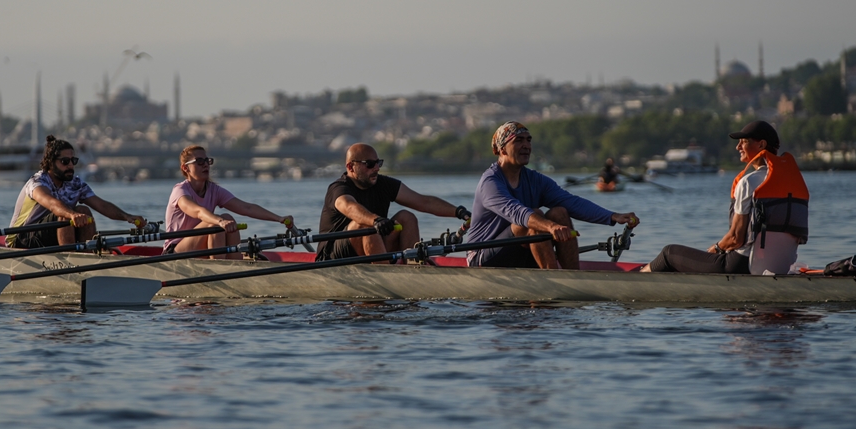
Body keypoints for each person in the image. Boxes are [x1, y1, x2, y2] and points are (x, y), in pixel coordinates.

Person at [641, 120, 808, 275]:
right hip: (780, 266)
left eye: (744, 141)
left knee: (668, 253)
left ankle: (637, 279)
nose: (738, 147)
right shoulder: (793, 184)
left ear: (761, 145)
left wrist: (716, 248)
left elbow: (735, 238)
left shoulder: (748, 182)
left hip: (741, 265)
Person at [465, 122, 639, 269]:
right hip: (482, 257)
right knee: (536, 219)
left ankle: (573, 278)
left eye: (528, 140)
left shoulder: (536, 180)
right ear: (502, 149)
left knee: (560, 212)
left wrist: (612, 216)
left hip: (519, 251)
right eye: (518, 141)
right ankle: (554, 280)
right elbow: (516, 212)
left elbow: (572, 202)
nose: (526, 145)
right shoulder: (490, 182)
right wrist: (550, 227)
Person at [316, 143, 470, 261]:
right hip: (332, 256)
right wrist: (375, 220)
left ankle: (411, 268)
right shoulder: (338, 188)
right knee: (364, 224)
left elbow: (423, 202)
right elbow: (350, 207)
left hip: (372, 247)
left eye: (378, 163)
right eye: (369, 164)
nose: (376, 168)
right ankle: (387, 275)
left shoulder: (382, 184)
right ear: (351, 167)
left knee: (407, 217)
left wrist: (460, 212)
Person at [8, 135, 146, 248]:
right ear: (50, 163)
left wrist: (127, 217)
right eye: (65, 161)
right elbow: (52, 204)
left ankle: (87, 256)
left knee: (84, 211)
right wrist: (72, 215)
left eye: (73, 160)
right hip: (22, 239)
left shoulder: (75, 183)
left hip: (51, 235)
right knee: (67, 215)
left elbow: (102, 205)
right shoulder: (37, 182)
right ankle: (73, 260)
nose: (70, 165)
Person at [164, 145, 297, 259]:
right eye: (199, 161)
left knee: (228, 218)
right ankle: (219, 271)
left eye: (207, 161)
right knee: (216, 224)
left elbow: (247, 208)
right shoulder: (180, 191)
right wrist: (220, 221)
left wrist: (279, 218)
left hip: (199, 248)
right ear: (185, 168)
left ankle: (234, 267)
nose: (205, 164)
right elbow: (198, 212)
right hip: (175, 251)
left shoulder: (214, 190)